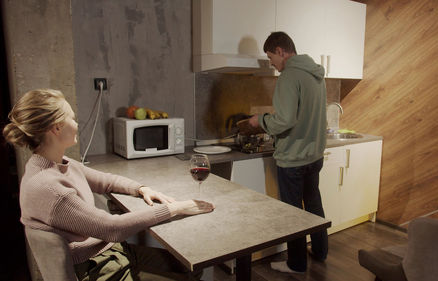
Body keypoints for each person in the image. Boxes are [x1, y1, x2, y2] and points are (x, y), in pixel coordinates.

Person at [3, 89, 215, 281]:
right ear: (56, 128)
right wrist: (175, 208)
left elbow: (107, 181)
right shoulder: (49, 188)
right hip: (97, 268)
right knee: (189, 274)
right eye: (72, 118)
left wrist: (142, 188)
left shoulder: (59, 163)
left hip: (111, 251)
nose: (76, 124)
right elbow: (111, 228)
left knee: (192, 268)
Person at [248, 31, 328, 273]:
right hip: (314, 155)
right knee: (313, 205)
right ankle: (321, 250)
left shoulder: (289, 76)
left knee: (293, 214)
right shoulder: (316, 74)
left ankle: (296, 264)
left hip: (293, 158)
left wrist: (259, 120)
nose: (271, 63)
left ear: (281, 51)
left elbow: (284, 120)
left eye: (271, 57)